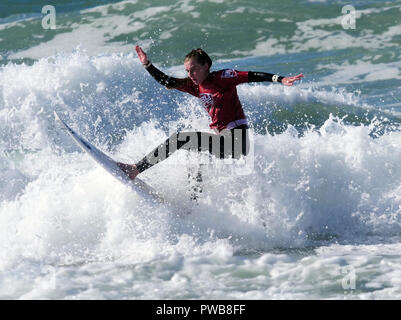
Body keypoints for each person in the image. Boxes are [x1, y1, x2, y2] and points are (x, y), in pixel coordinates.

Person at [117, 45, 303, 180]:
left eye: (194, 69)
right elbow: (168, 82)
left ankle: (135, 169)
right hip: (223, 140)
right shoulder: (195, 86)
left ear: (206, 65)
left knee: (182, 138)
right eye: (188, 71)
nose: (191, 74)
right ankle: (194, 202)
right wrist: (147, 65)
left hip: (236, 140)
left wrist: (280, 79)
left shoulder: (223, 77)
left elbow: (252, 75)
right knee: (193, 155)